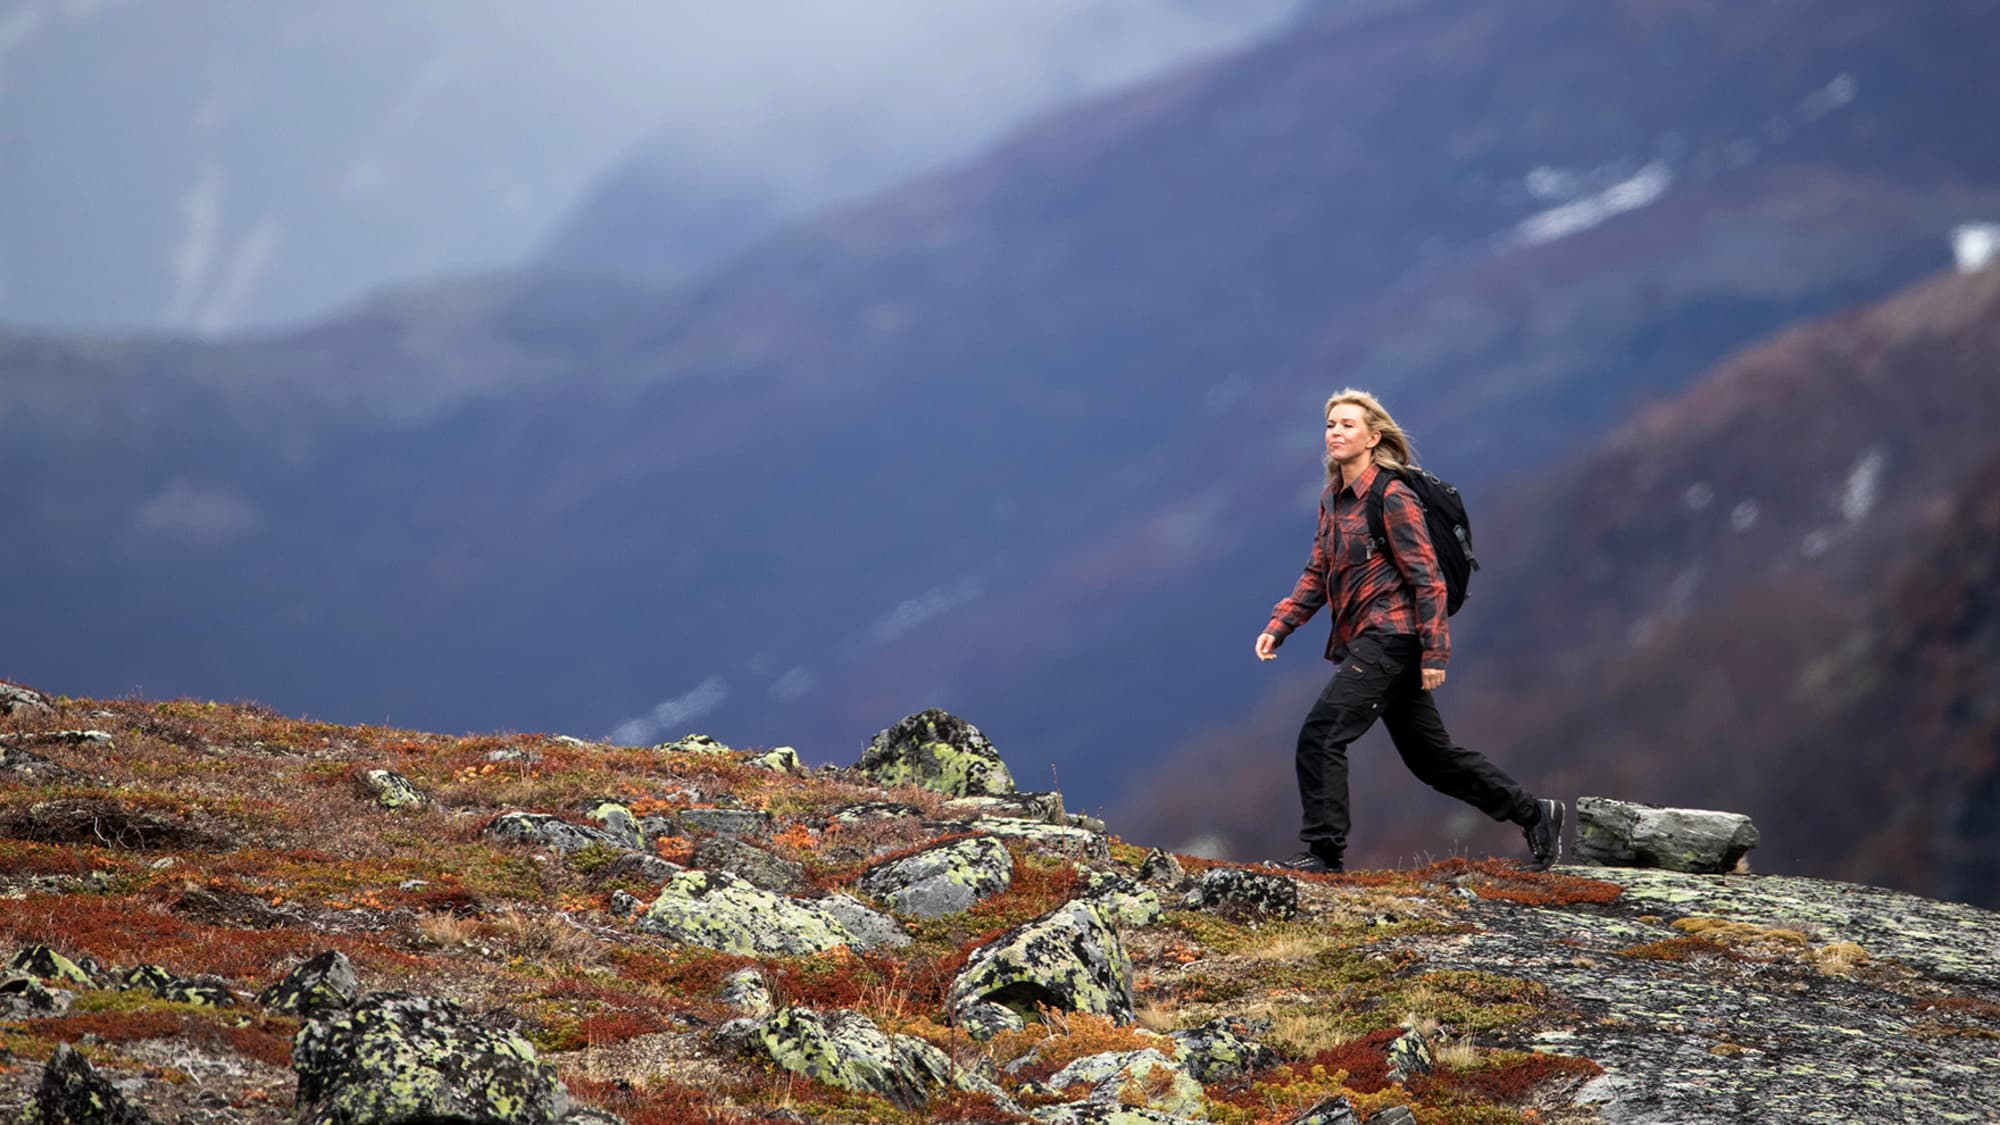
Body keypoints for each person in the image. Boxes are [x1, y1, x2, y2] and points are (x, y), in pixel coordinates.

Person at [1255, 389, 1562, 873]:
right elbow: (1318, 571)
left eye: (1347, 425)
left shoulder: (1392, 497)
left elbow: (1428, 578)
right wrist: (1281, 625)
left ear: (1374, 438)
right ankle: (1536, 813)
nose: (1335, 432)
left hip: (1394, 641)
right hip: (1369, 641)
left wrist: (1435, 654)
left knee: (1321, 734)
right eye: (1330, 424)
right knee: (1431, 758)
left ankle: (1323, 853)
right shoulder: (1333, 499)